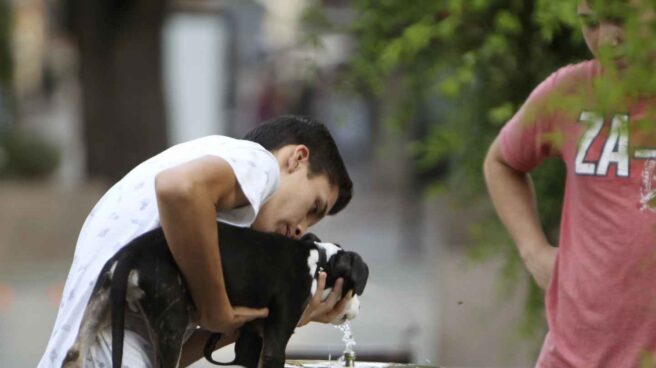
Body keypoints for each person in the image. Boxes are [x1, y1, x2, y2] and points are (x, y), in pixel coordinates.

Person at [38, 115, 354, 367]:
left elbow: (165, 350)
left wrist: (274, 320)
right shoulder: (259, 163)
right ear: (297, 159)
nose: (302, 230)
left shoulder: (199, 220)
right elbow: (178, 187)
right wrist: (215, 308)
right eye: (313, 208)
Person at [484, 1, 656, 367]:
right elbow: (501, 162)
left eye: (621, 20)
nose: (607, 39)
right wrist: (534, 251)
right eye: (590, 24)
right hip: (573, 357)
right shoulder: (571, 92)